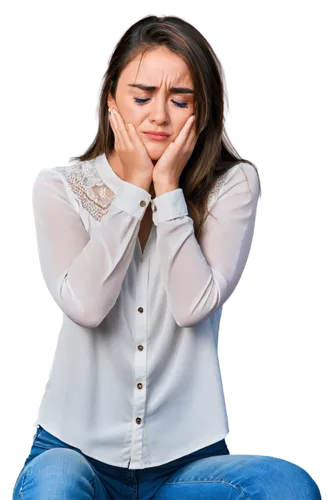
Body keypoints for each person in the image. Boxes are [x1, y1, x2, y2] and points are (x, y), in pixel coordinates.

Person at [11, 13, 323, 500]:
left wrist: (168, 190)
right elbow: (87, 306)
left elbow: (191, 304)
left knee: (287, 484)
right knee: (55, 484)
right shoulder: (59, 187)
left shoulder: (232, 186)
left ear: (204, 112)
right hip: (74, 453)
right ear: (110, 101)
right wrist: (134, 188)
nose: (159, 115)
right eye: (142, 97)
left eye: (180, 101)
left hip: (185, 466)